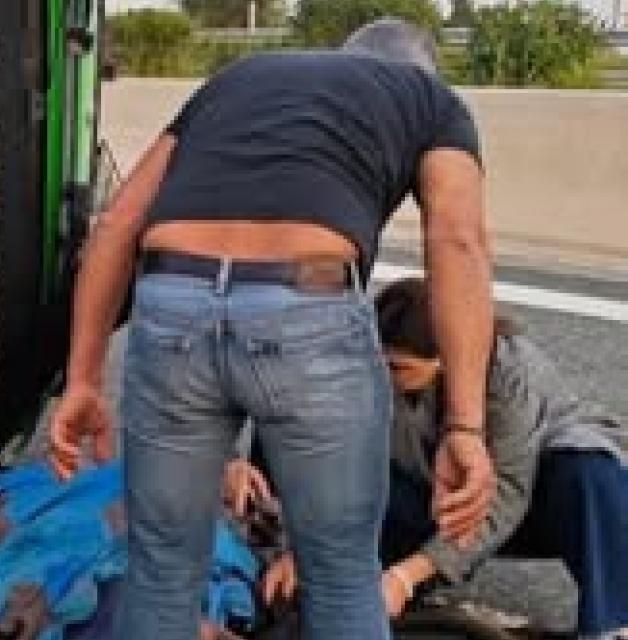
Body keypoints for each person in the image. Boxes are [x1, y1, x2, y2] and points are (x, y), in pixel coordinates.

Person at [48, 18, 498, 640]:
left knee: (161, 572)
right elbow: (458, 241)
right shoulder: (430, 102)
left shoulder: (241, 77)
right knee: (341, 576)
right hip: (305, 308)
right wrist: (466, 427)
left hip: (173, 299)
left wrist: (83, 379)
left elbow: (116, 224)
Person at [259, 278, 628, 640]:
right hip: (434, 492)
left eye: (398, 368)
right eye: (379, 363)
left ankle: (613, 623)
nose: (384, 378)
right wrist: (306, 550)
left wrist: (407, 576)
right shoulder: (366, 368)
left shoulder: (512, 373)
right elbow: (335, 460)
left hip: (529, 499)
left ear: (443, 359)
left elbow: (506, 496)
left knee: (590, 472)